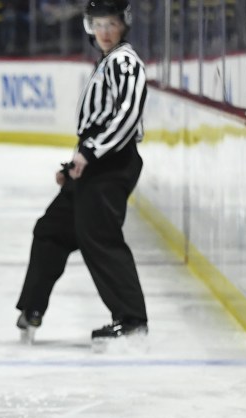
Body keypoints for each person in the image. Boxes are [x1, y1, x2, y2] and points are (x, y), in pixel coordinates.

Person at [15, 0, 148, 347]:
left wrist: (89, 154)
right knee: (52, 230)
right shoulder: (107, 62)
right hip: (94, 164)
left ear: (124, 24)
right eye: (97, 25)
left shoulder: (125, 62)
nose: (104, 32)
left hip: (111, 164)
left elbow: (127, 117)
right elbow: (98, 124)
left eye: (111, 24)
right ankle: (32, 308)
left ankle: (132, 319)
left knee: (99, 237)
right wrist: (76, 163)